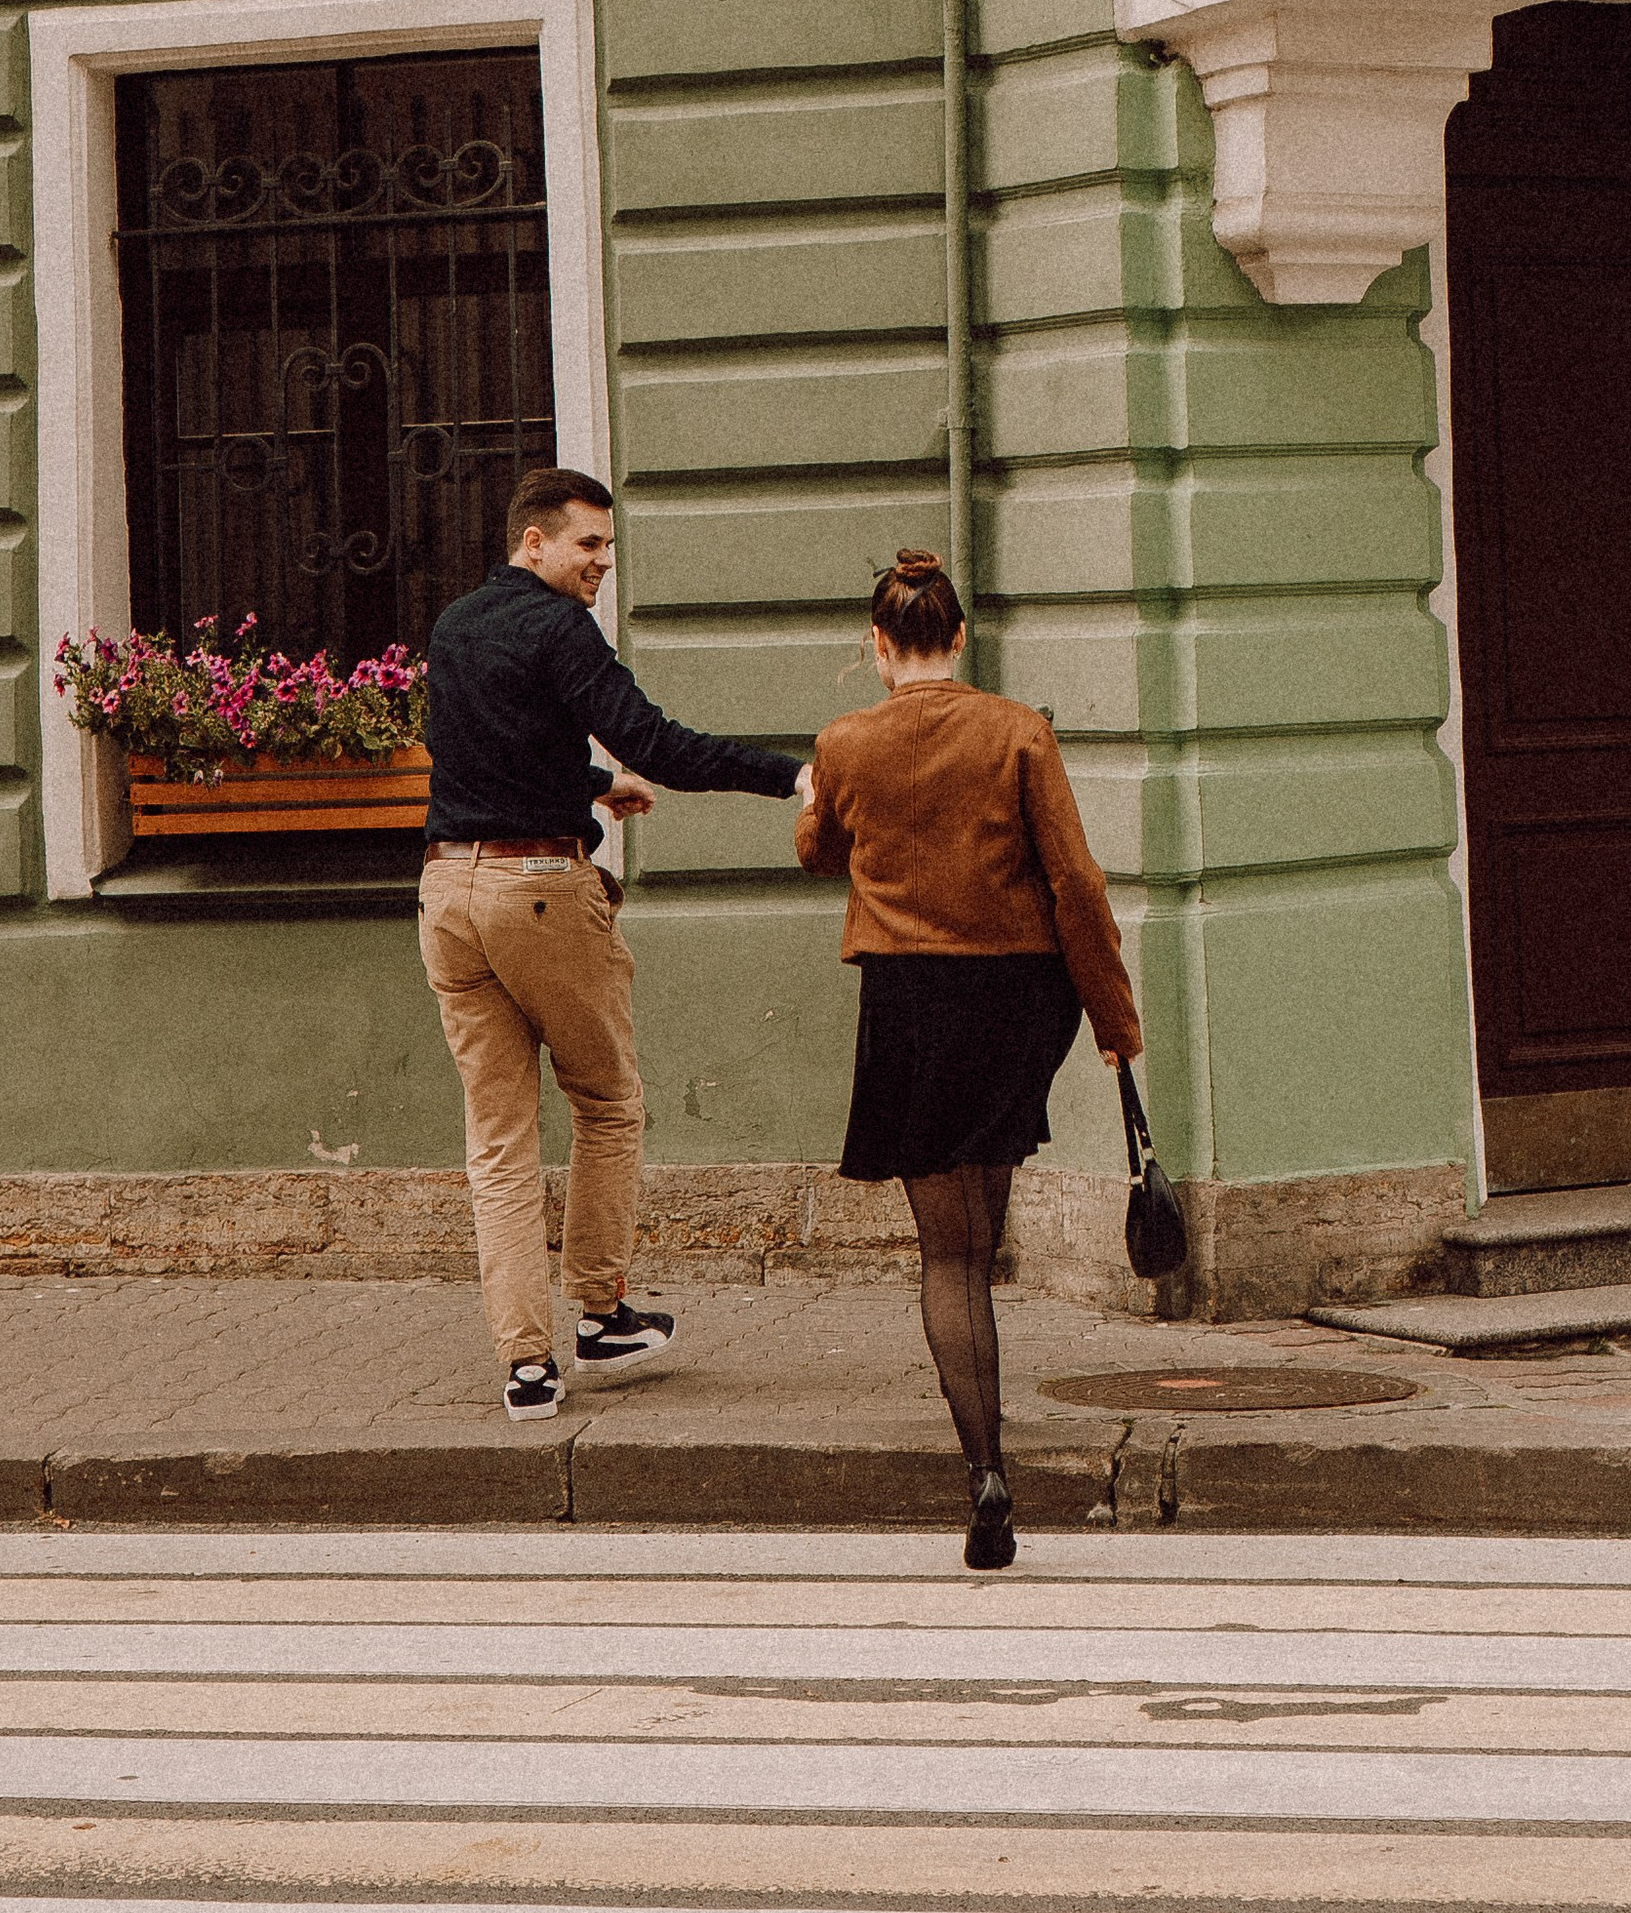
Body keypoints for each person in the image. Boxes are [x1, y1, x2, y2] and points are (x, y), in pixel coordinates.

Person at [420, 464, 800, 1424]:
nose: (601, 563)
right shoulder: (559, 627)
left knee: (499, 1145)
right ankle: (600, 1313)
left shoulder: (456, 624)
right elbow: (659, 742)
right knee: (608, 1100)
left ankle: (526, 1369)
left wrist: (586, 785)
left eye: (607, 548)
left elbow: (484, 748)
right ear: (533, 540)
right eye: (587, 545)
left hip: (447, 894)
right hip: (540, 893)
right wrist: (793, 776)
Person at [796, 549, 1143, 1570]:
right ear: (958, 638)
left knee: (946, 1255)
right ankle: (992, 1454)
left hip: (909, 999)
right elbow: (1074, 882)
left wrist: (820, 800)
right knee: (981, 1235)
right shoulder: (1017, 730)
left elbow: (821, 852)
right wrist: (1113, 1025)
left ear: (876, 646)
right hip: (1015, 1000)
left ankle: (985, 1470)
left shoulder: (846, 742)